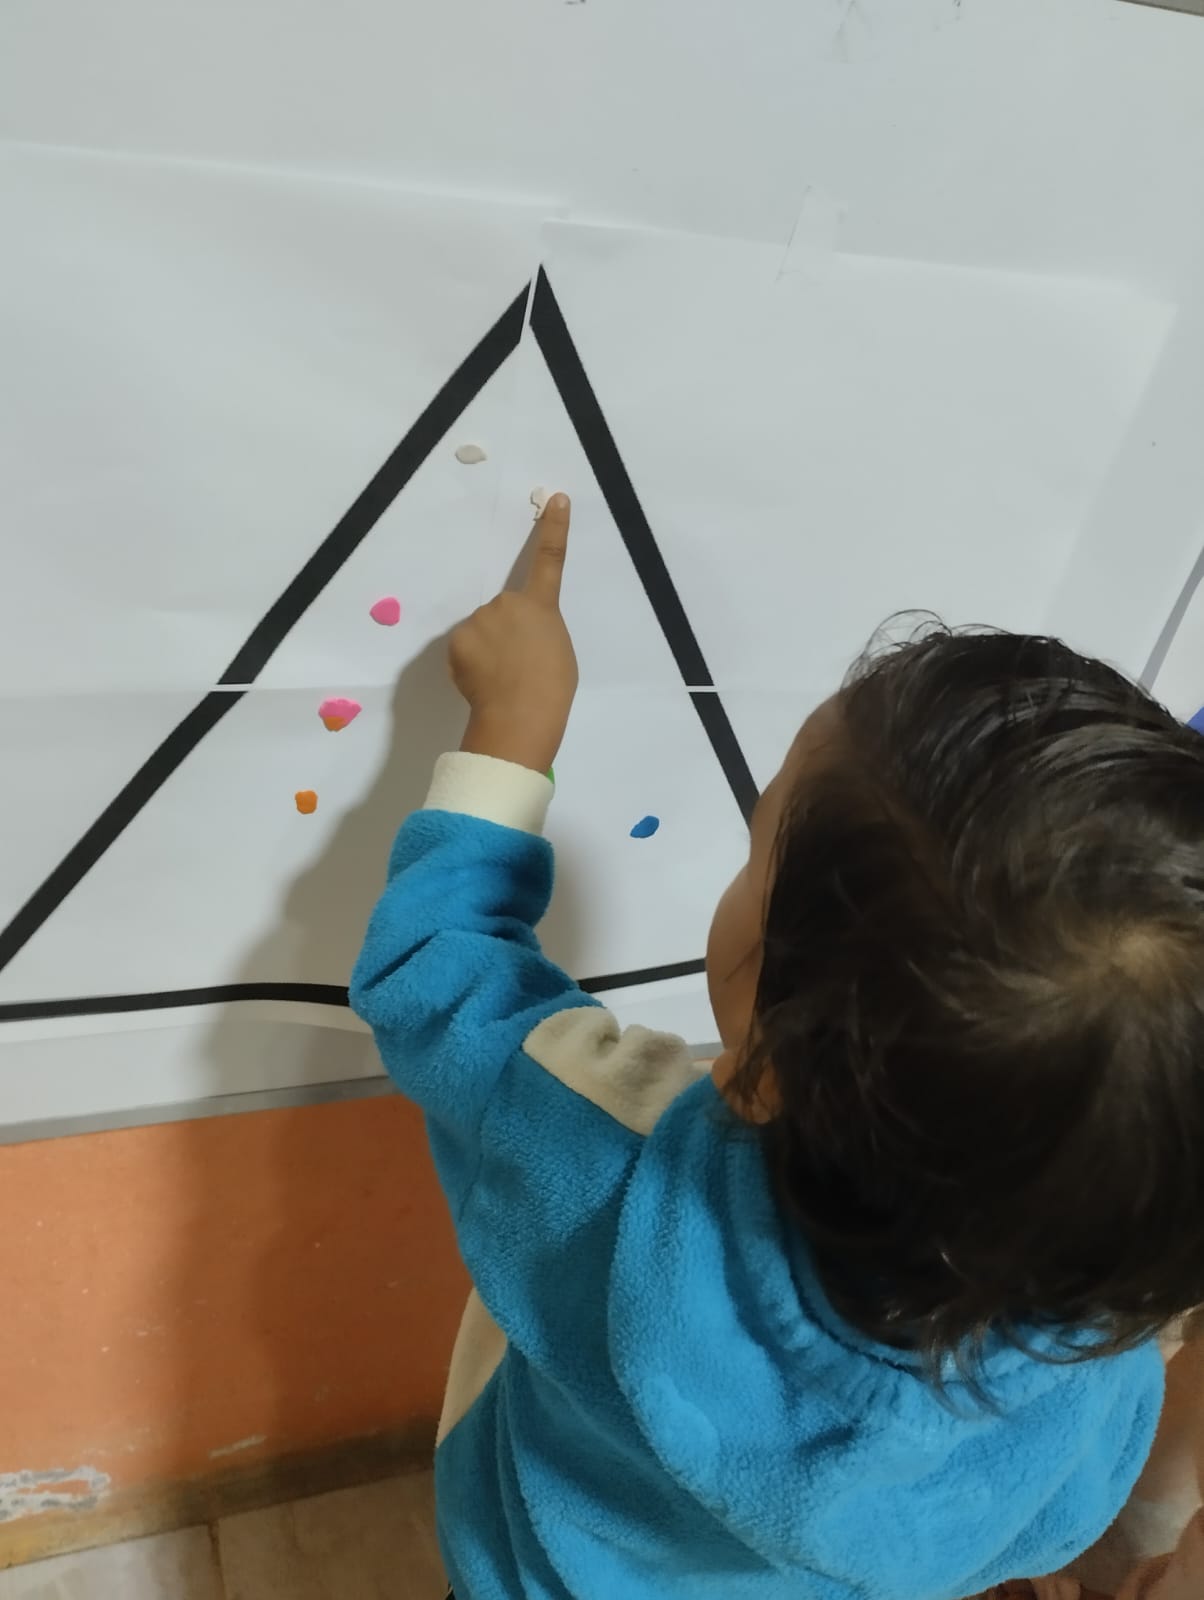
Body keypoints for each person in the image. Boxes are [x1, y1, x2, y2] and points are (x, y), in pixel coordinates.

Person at [351, 495, 1204, 1599]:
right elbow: (1061, 1520)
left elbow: (435, 973)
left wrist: (511, 735)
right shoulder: (1101, 1339)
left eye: (755, 851)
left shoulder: (610, 1159)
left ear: (766, 1073)